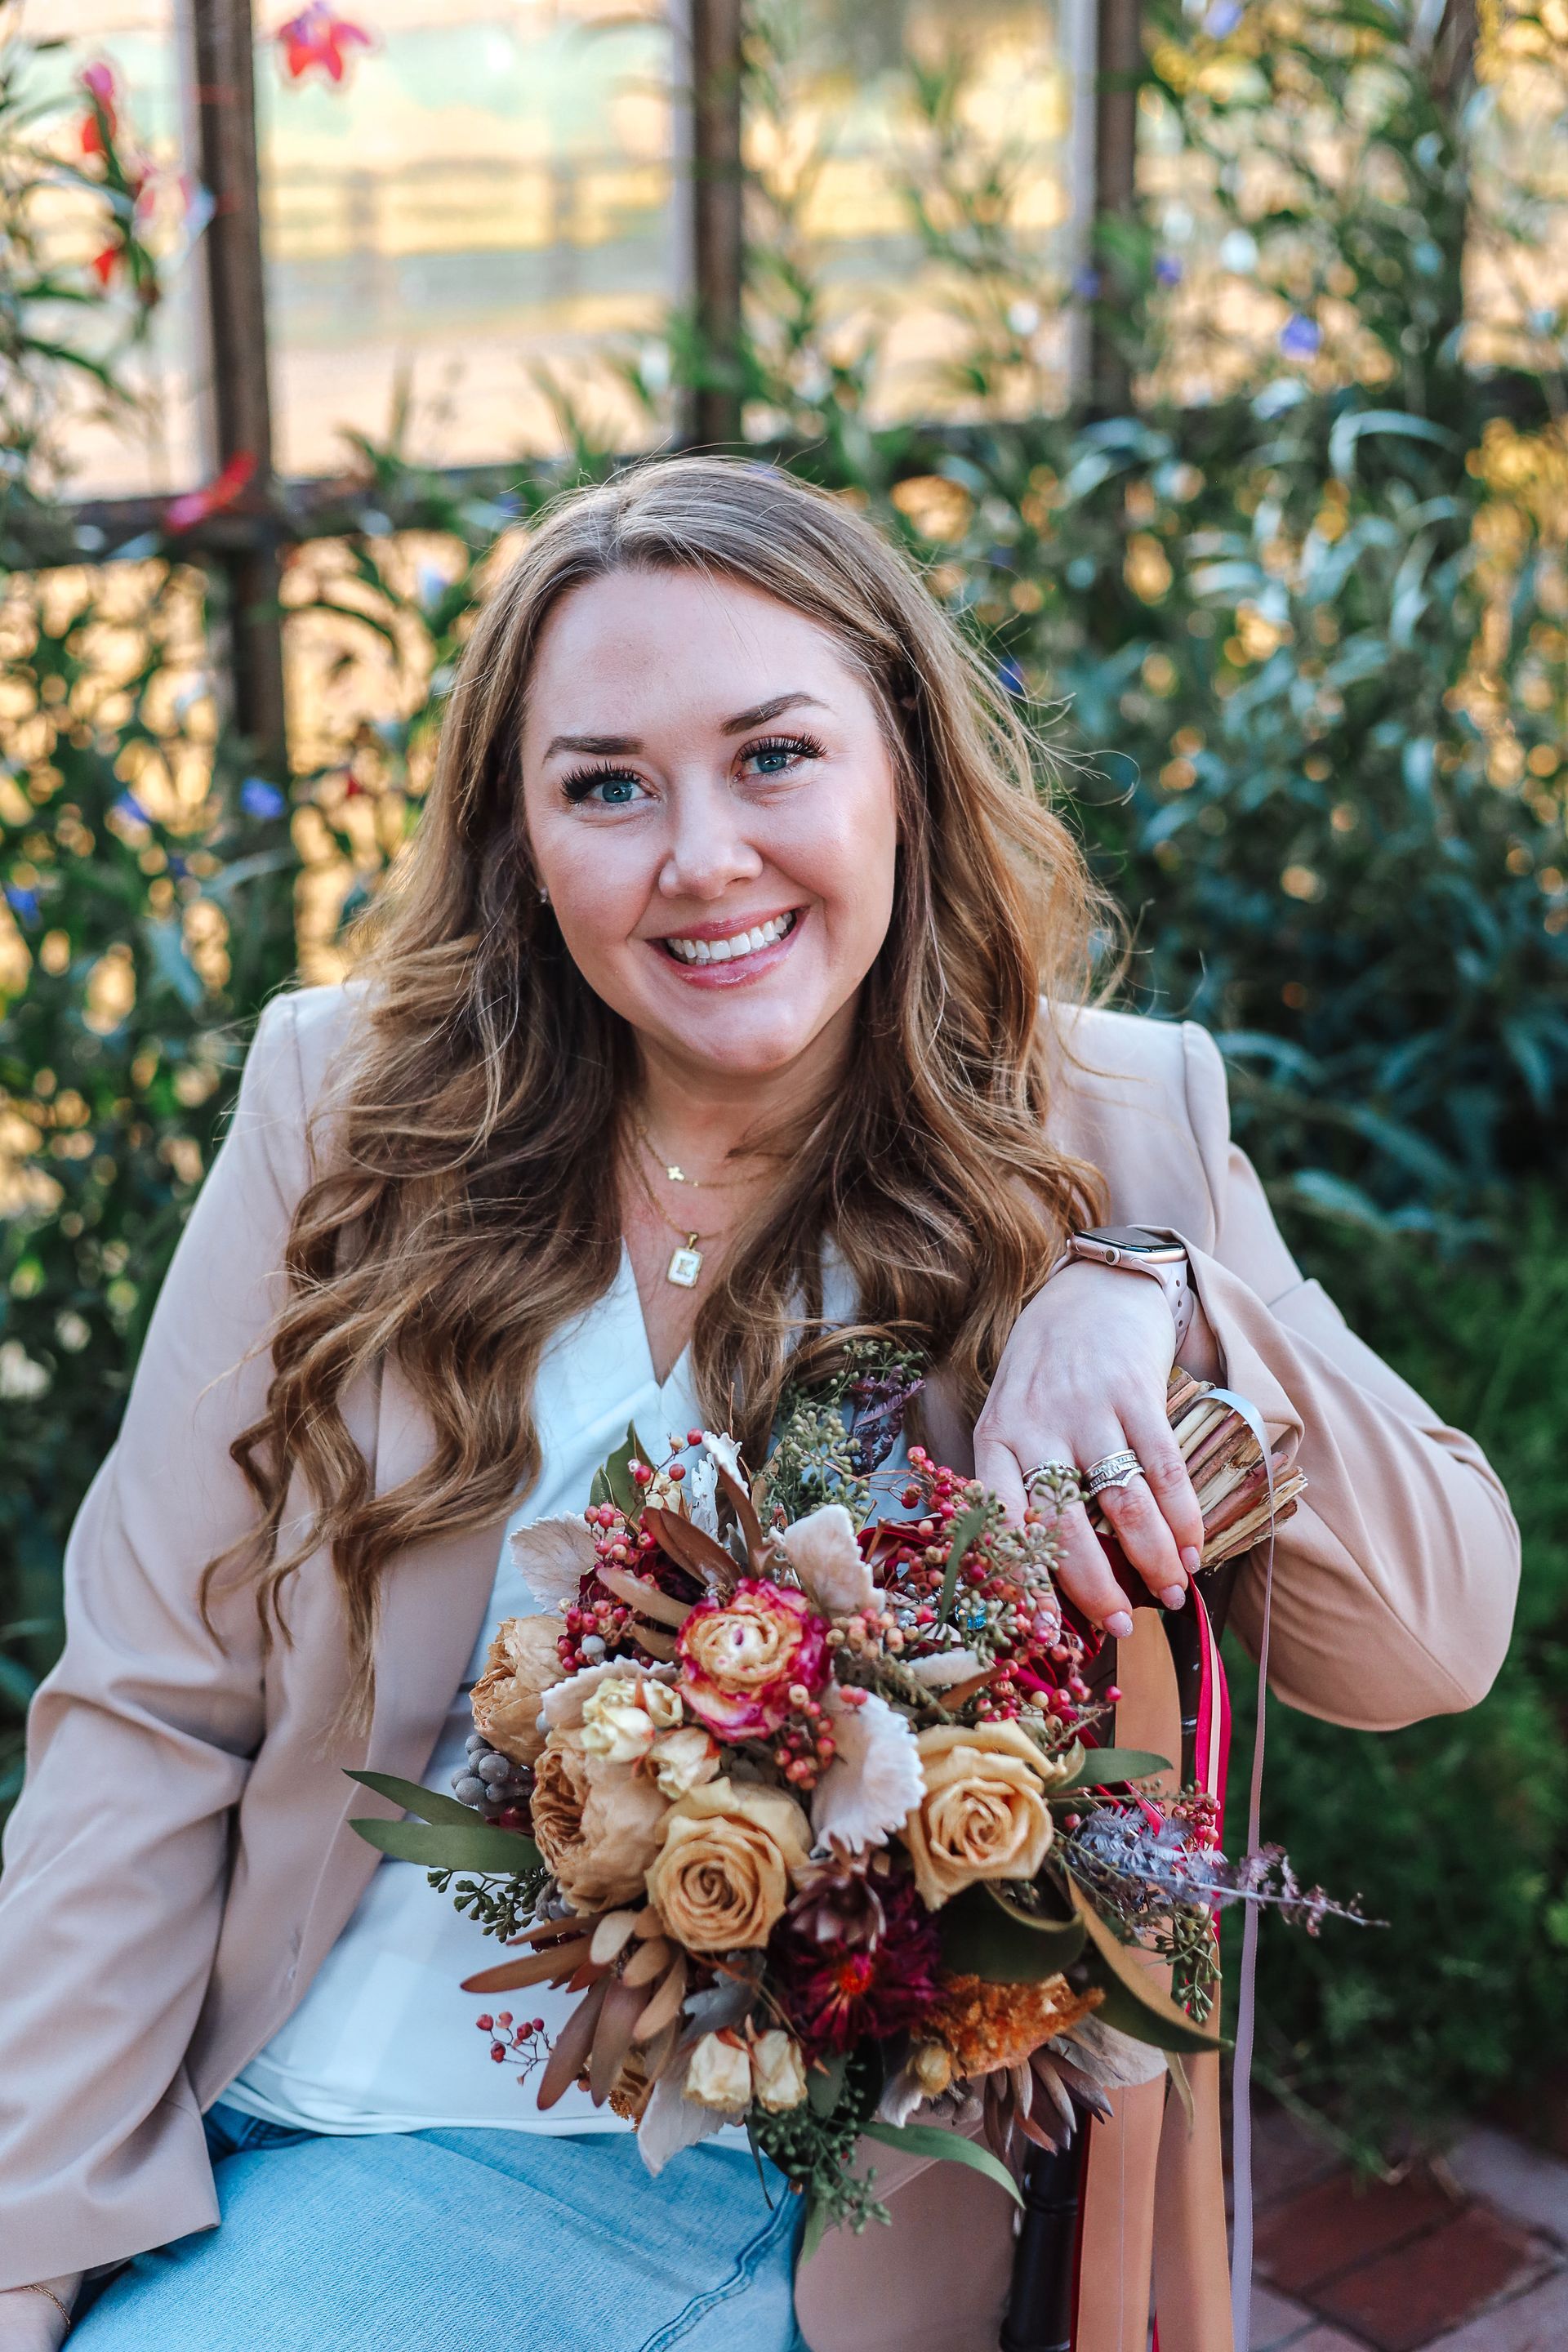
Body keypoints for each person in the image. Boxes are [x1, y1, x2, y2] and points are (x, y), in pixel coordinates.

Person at [0, 458, 1517, 2352]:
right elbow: (149, 1712)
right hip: (250, 2106)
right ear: (521, 839)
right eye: (607, 785)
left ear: (902, 760)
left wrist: (1158, 1288)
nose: (700, 857)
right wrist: (31, 2244)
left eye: (774, 756)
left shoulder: (1109, 1122)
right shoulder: (343, 1110)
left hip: (727, 2183)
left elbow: (1434, 1636)